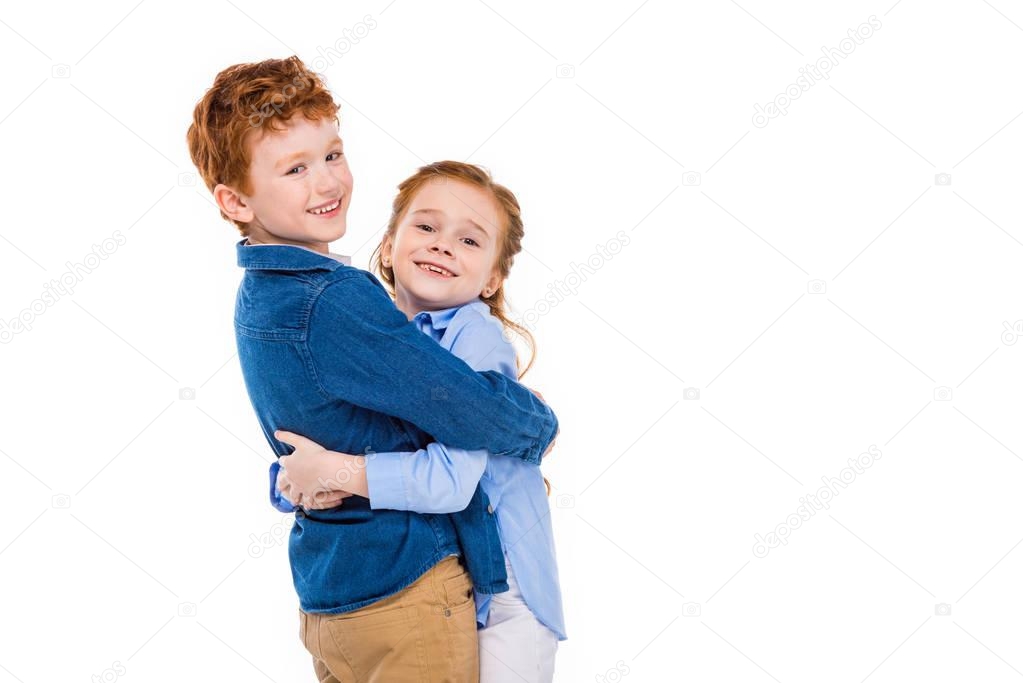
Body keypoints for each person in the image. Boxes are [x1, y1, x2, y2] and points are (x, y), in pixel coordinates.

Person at [186, 56, 558, 682]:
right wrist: (540, 426)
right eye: (296, 168)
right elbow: (472, 413)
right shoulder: (338, 299)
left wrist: (301, 477)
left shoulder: (261, 297)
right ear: (234, 200)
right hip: (402, 586)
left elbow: (324, 430)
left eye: (332, 155)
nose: (326, 182)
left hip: (335, 597)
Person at [274, 161, 565, 682]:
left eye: (470, 241)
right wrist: (294, 483)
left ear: (493, 277)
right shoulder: (378, 342)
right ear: (388, 245)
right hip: (448, 576)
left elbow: (450, 483)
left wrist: (338, 474)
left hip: (506, 592)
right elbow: (335, 443)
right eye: (426, 227)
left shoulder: (476, 340)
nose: (443, 245)